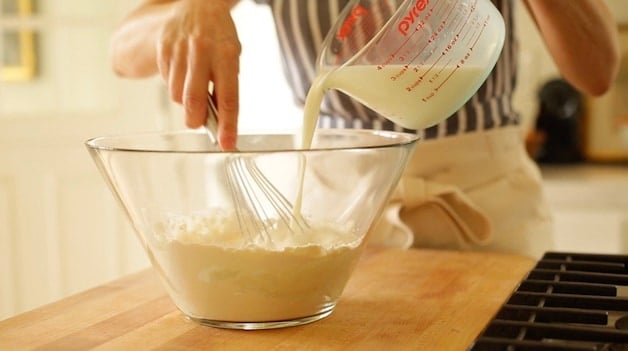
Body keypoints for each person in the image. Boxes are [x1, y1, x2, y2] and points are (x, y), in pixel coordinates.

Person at [109, 0, 620, 258]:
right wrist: (192, 8)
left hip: (489, 210)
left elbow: (598, 71)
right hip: (337, 219)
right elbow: (122, 51)